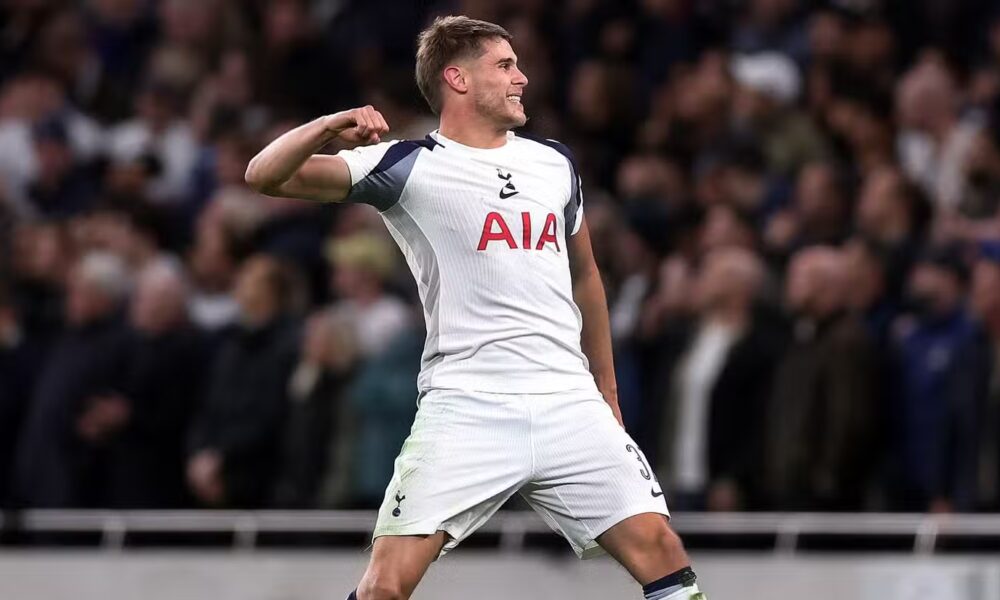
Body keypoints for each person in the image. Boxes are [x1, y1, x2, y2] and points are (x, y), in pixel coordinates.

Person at [245, 15, 705, 600]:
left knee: (662, 552)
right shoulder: (405, 166)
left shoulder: (555, 163)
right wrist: (328, 127)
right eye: (505, 65)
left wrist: (605, 393)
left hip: (568, 400)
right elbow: (263, 176)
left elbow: (585, 274)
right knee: (387, 583)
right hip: (468, 404)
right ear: (457, 78)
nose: (523, 78)